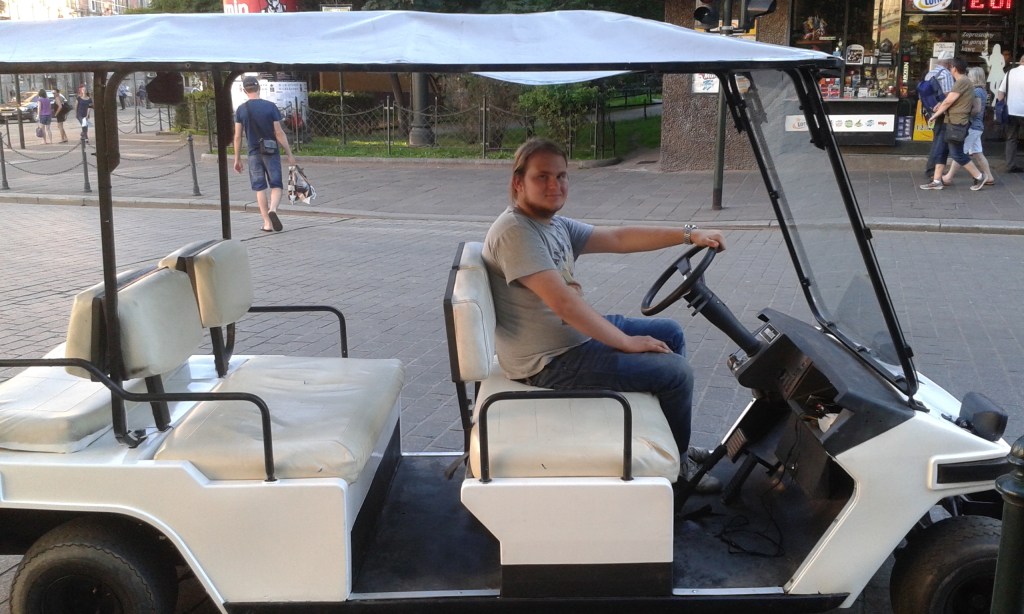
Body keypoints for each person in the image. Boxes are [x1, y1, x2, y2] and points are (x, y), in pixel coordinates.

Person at [482, 138, 726, 493]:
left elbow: (618, 238)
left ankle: (674, 447)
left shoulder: (552, 224)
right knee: (675, 373)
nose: (555, 185)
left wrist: (690, 235)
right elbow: (564, 304)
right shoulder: (515, 232)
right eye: (542, 177)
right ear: (518, 182)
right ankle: (679, 469)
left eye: (561, 176)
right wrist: (626, 342)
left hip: (569, 341)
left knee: (670, 332)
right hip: (548, 361)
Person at [233, 75, 295, 233]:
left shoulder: (241, 109)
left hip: (253, 152)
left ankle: (267, 223)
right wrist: (289, 153)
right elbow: (279, 132)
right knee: (276, 185)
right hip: (271, 151)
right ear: (258, 88)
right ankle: (273, 209)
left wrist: (237, 158)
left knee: (259, 187)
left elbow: (237, 136)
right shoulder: (270, 107)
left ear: (244, 90)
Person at [921, 57, 985, 191]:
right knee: (942, 150)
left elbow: (948, 101)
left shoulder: (962, 82)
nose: (949, 70)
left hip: (957, 122)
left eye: (950, 68)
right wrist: (941, 104)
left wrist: (935, 115)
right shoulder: (963, 82)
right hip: (951, 121)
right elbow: (951, 100)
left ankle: (979, 176)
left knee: (957, 153)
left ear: (954, 69)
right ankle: (937, 180)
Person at [943, 66, 995, 187]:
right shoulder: (982, 90)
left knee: (960, 153)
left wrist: (963, 113)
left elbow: (976, 109)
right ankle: (989, 177)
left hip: (972, 126)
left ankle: (948, 177)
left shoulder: (976, 91)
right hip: (978, 126)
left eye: (969, 75)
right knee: (978, 153)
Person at [921, 54, 955, 180]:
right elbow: (948, 95)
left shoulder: (930, 73)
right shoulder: (946, 74)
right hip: (942, 111)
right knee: (940, 141)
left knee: (937, 138)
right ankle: (933, 170)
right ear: (949, 63)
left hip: (931, 110)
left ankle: (933, 168)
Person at [997, 53, 1024, 172]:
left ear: (1020, 61)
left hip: (1011, 110)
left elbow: (1000, 93)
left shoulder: (1010, 73)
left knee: (1011, 138)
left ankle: (1010, 165)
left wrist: (1002, 104)